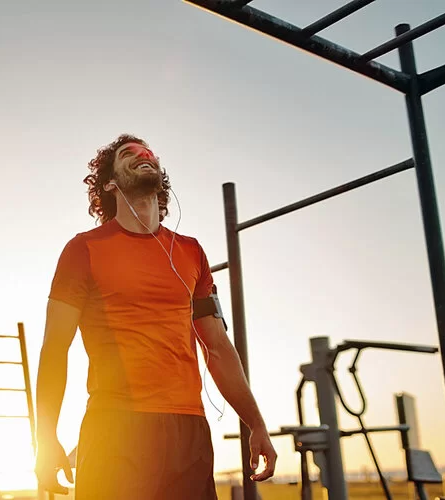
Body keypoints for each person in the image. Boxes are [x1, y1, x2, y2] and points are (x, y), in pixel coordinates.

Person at [34, 134, 277, 499]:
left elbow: (217, 346)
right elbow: (55, 348)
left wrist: (255, 423)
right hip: (115, 427)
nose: (144, 154)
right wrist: (46, 436)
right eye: (128, 154)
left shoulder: (192, 253)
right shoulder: (82, 250)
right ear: (110, 183)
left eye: (148, 152)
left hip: (188, 432)